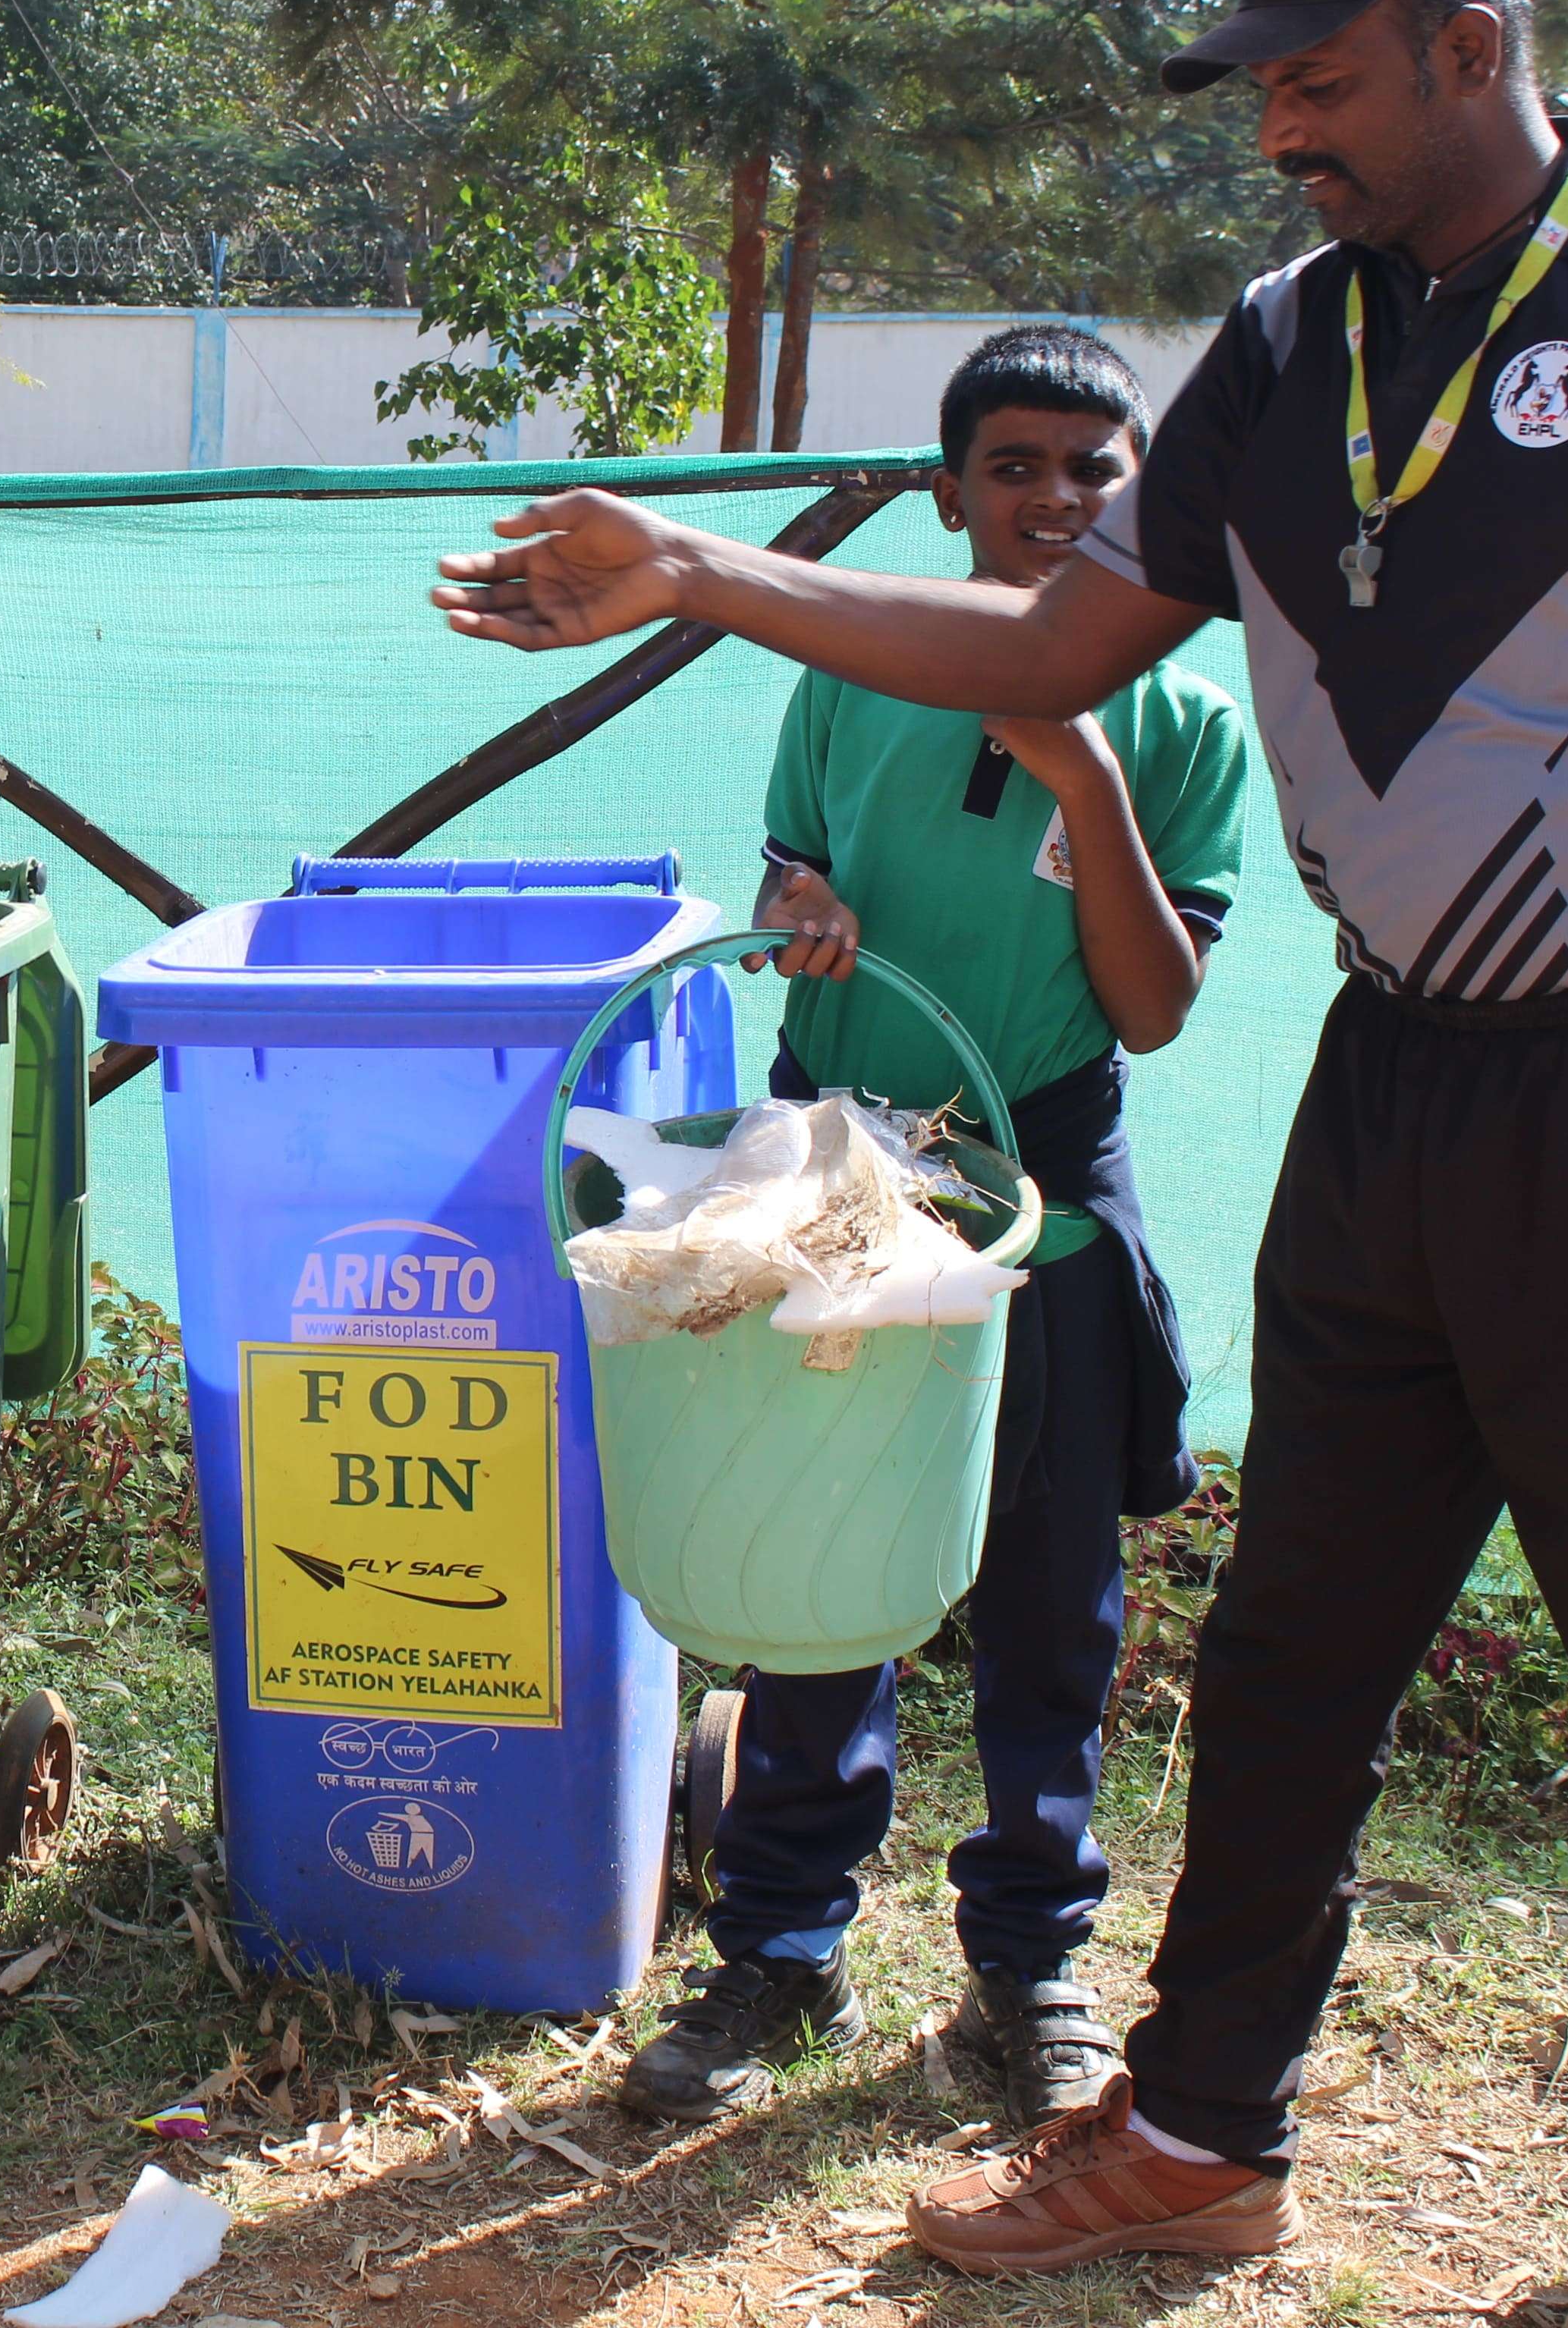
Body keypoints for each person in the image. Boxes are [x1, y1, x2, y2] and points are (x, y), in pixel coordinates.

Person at [434, 0, 1568, 2328]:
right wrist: (698, 571)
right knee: (1291, 1630)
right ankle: (1203, 2124)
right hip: (1399, 1072)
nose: (1276, 139)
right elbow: (1045, 631)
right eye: (1258, 95)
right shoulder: (1276, 345)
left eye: (1314, 86)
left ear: (1465, 45)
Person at [614, 327, 1251, 2134]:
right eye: (1016, 468)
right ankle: (781, 1945)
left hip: (1039, 1178)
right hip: (835, 1164)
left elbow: (1151, 1006)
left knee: (1053, 1586)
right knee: (822, 1545)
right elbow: (788, 869)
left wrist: (1081, 775)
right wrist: (797, 907)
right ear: (949, 490)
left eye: (1092, 470)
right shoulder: (849, 671)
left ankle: (1031, 1966)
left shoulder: (1182, 718)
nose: (1054, 499)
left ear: (1140, 493)